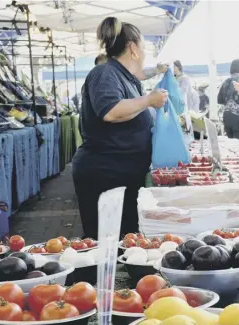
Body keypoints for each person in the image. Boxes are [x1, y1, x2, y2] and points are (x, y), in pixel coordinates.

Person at [72, 17, 168, 239]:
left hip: (121, 174)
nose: (144, 54)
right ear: (133, 48)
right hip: (106, 175)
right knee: (106, 244)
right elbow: (111, 111)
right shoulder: (105, 73)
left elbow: (129, 109)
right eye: (143, 48)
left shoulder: (125, 77)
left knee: (123, 240)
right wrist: (148, 101)